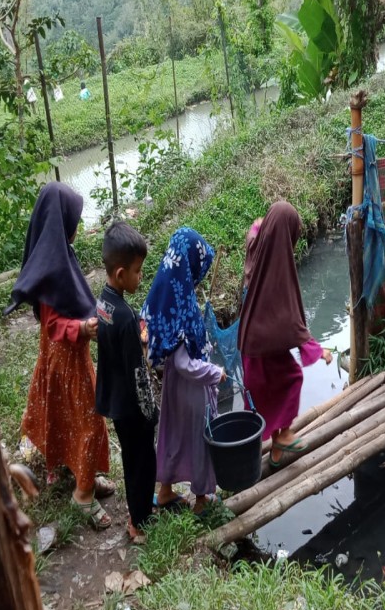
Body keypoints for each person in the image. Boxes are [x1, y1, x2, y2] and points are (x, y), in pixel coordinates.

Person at [6, 182, 112, 529]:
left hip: (67, 359)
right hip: (65, 360)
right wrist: (81, 329)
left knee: (69, 419)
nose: (79, 225)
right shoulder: (52, 267)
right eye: (75, 218)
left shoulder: (59, 255)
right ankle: (83, 495)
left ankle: (83, 474)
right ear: (61, 221)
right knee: (91, 422)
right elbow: (53, 323)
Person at [238, 201, 332, 468]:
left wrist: (260, 223)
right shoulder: (277, 270)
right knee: (291, 379)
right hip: (261, 348)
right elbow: (290, 320)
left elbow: (254, 231)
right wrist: (315, 348)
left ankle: (278, 445)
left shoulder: (259, 249)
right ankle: (277, 440)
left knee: (266, 398)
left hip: (254, 344)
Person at [142, 227, 226, 512]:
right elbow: (183, 361)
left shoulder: (165, 291)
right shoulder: (182, 302)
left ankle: (164, 491)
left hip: (172, 388)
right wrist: (214, 372)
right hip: (191, 388)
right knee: (201, 439)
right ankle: (201, 500)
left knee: (172, 436)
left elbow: (163, 342)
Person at [95, 221, 157, 543]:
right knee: (141, 463)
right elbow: (138, 375)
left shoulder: (103, 304)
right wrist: (152, 412)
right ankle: (138, 523)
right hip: (133, 410)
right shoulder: (126, 317)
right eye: (137, 270)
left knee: (133, 459)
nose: (140, 276)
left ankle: (141, 512)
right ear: (120, 274)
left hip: (115, 402)